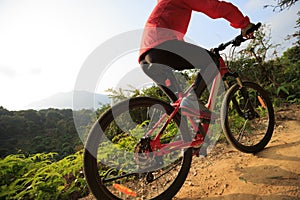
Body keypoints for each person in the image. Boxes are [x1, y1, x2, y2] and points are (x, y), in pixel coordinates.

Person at [139, 0, 255, 116]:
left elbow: (178, 44)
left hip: (146, 58)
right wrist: (244, 24)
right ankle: (192, 100)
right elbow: (215, 8)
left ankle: (191, 131)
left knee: (180, 108)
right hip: (162, 47)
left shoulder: (165, 4)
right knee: (212, 60)